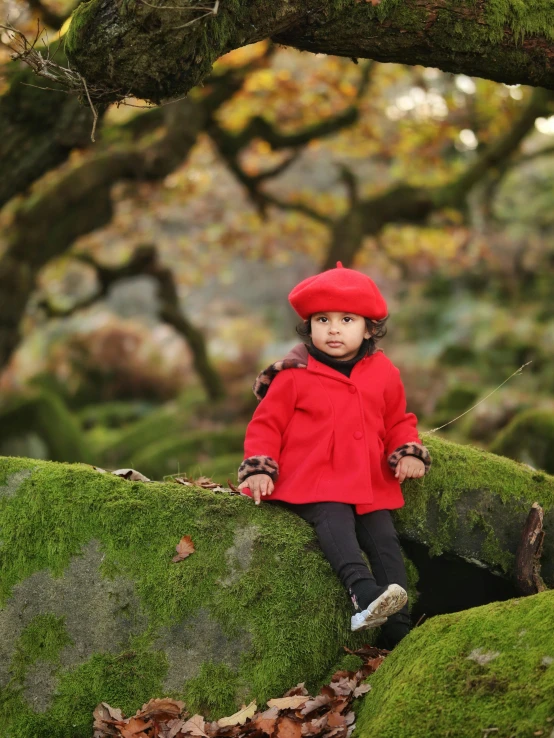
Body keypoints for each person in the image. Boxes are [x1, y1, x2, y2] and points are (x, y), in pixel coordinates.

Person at [237, 262, 431, 648]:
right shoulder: (294, 375)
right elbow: (266, 425)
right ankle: (362, 591)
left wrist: (407, 452)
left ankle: (399, 627)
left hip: (368, 480)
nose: (334, 329)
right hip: (314, 480)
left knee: (384, 539)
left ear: (369, 328)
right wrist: (259, 468)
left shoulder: (383, 372)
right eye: (322, 319)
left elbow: (398, 420)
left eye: (347, 319)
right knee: (335, 521)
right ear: (309, 327)